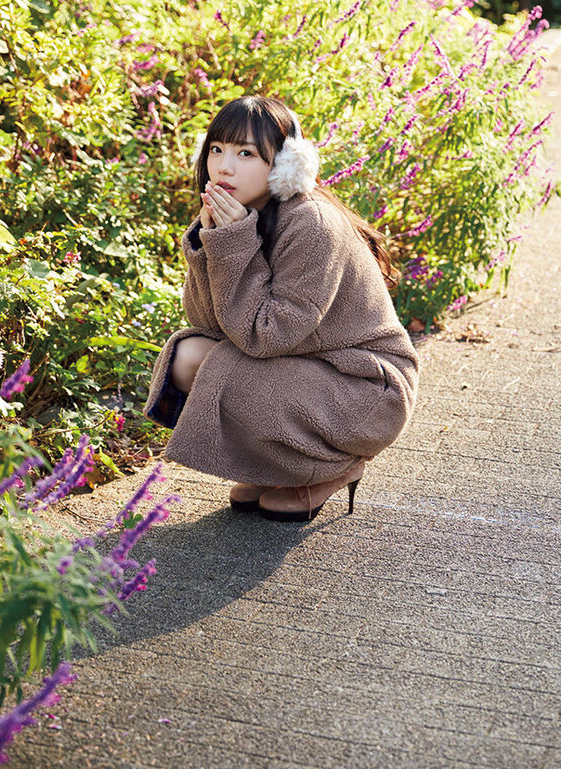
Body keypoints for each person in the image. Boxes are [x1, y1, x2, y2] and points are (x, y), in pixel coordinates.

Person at [144, 95, 419, 522]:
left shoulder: (312, 223)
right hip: (307, 368)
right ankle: (280, 470)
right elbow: (208, 323)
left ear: (287, 164)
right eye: (217, 149)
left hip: (365, 387)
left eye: (246, 153)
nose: (225, 167)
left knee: (226, 374)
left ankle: (332, 469)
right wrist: (210, 242)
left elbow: (267, 335)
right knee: (188, 356)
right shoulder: (244, 214)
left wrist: (234, 245)